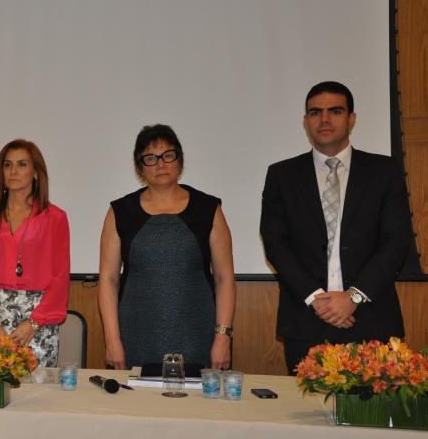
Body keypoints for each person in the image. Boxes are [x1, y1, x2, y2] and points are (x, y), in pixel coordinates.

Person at [261, 81, 412, 374]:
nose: (325, 119)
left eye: (335, 111)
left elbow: (396, 242)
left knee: (369, 417)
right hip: (306, 320)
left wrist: (353, 297)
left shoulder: (384, 172)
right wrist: (318, 300)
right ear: (306, 121)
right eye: (315, 112)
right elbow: (276, 244)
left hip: (370, 318)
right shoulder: (282, 175)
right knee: (306, 417)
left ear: (352, 118)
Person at [97, 125, 235, 370]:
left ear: (179, 161)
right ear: (140, 167)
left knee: (197, 409)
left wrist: (223, 337)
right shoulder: (120, 212)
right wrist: (112, 340)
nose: (160, 164)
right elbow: (108, 280)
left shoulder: (208, 209)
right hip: (134, 339)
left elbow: (224, 278)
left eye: (167, 155)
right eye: (150, 158)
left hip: (198, 339)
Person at [0, 139, 70, 368]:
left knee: (37, 400)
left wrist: (32, 324)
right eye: (7, 165)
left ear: (35, 172)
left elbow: (60, 279)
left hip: (37, 326)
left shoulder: (55, 219)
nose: (13, 171)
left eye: (22, 164)